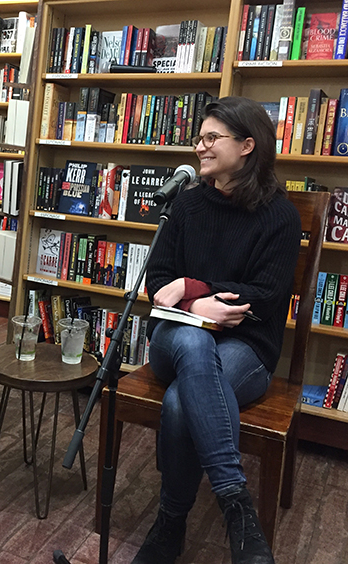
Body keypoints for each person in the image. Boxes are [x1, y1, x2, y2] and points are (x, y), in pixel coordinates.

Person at [133, 97, 301, 564]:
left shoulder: (280, 216)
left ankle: (170, 522)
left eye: (211, 139)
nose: (200, 147)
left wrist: (197, 286)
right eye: (199, 138)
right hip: (176, 336)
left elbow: (266, 295)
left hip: (247, 346)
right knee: (192, 337)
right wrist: (196, 301)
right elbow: (157, 282)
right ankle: (237, 506)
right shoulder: (185, 206)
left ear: (247, 146)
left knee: (180, 401)